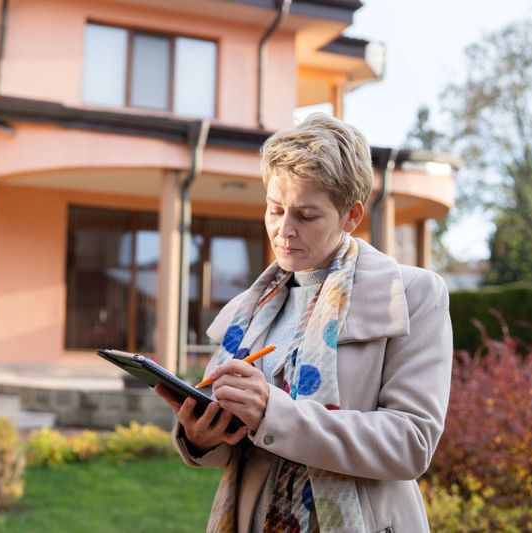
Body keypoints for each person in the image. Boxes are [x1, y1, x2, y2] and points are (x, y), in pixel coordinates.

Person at [155, 112, 453, 533]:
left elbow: (411, 444)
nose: (284, 230)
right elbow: (236, 448)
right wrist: (202, 435)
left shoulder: (412, 296)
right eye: (275, 210)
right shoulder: (249, 311)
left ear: (351, 216)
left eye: (306, 215)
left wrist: (273, 413)